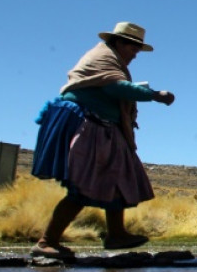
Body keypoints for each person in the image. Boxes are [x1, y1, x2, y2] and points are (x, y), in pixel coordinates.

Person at [30, 22, 176, 258]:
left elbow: (114, 87)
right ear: (119, 42)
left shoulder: (113, 61)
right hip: (85, 126)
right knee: (83, 185)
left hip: (103, 127)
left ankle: (116, 235)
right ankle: (47, 241)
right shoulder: (102, 58)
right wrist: (154, 95)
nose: (134, 55)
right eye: (133, 49)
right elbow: (115, 87)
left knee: (117, 178)